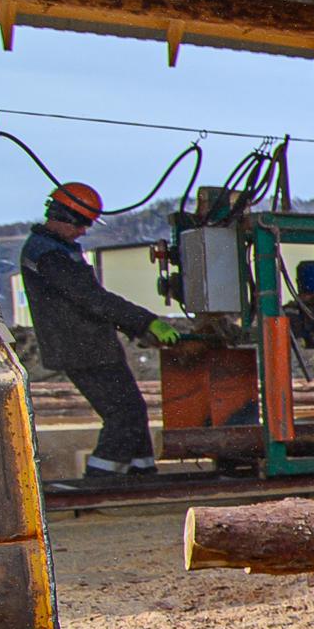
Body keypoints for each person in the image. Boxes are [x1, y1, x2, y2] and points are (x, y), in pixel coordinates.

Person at [19, 181, 183, 478]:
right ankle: (99, 483)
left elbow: (90, 302)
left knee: (133, 411)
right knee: (123, 414)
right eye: (82, 224)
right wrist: (145, 321)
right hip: (82, 349)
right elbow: (92, 299)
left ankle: (142, 474)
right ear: (64, 216)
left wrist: (137, 329)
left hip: (90, 346)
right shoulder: (48, 255)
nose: (84, 231)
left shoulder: (57, 249)